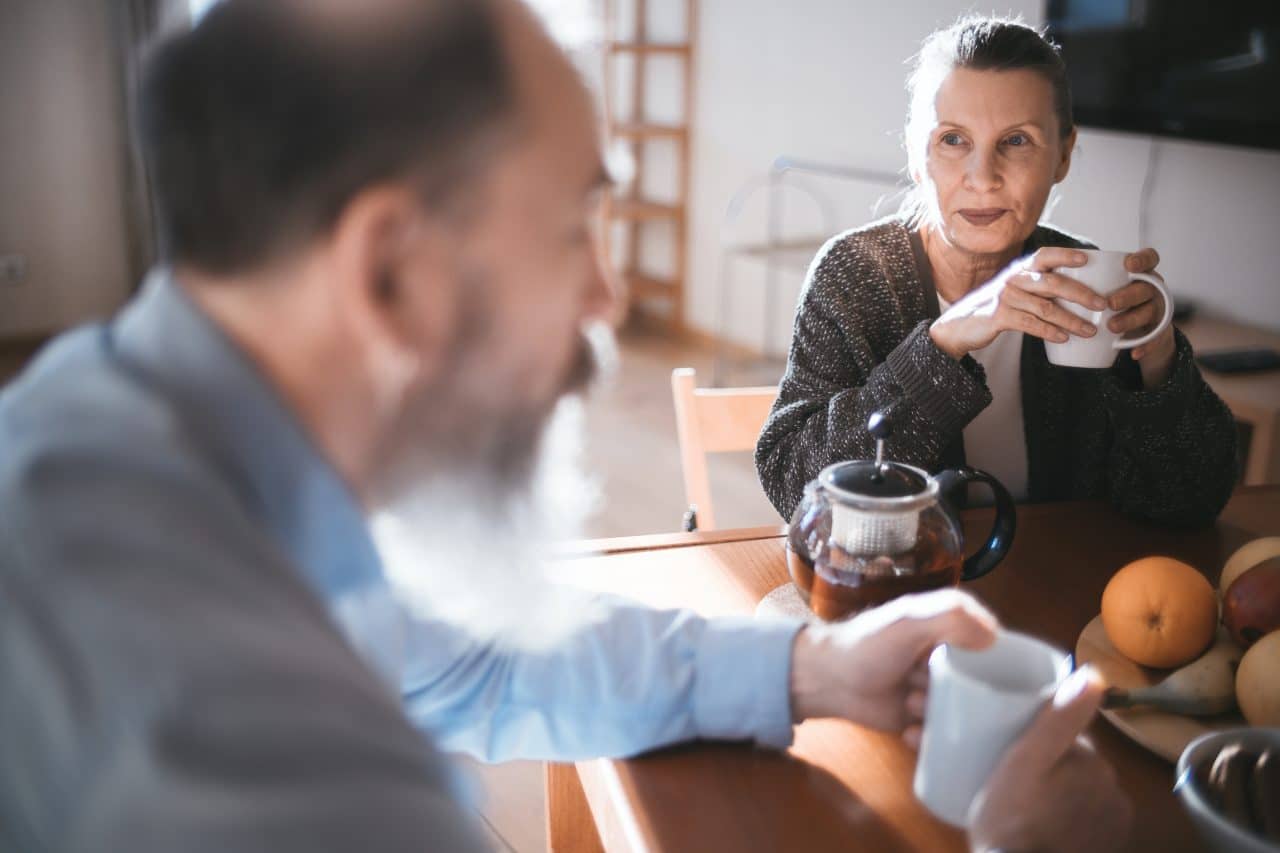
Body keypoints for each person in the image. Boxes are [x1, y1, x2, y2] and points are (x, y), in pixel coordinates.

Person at [0, 2, 1129, 850]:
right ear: (387, 266)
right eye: (570, 225)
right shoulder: (186, 718)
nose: (610, 299)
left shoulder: (220, 453)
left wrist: (809, 668)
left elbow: (484, 664)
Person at [756, 16, 1237, 526]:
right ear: (917, 155)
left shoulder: (1089, 286)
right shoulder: (854, 275)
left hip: (1060, 589)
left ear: (1063, 156)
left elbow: (1190, 503)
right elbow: (796, 487)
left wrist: (1156, 362)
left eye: (1016, 141)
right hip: (907, 590)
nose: (983, 178)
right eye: (953, 140)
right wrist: (946, 342)